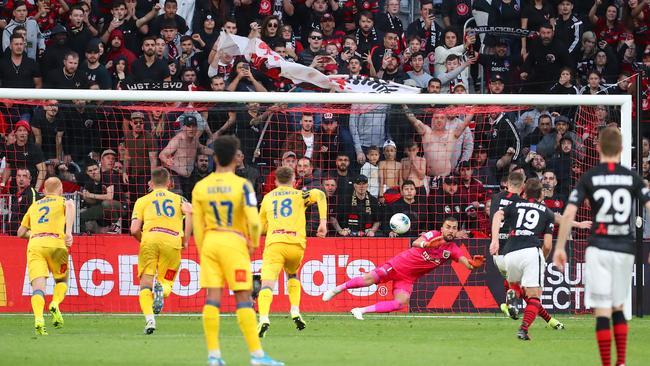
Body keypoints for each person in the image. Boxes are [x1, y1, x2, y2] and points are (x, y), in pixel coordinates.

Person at [554, 127, 650, 366]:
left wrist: (559, 247)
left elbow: (569, 213)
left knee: (602, 309)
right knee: (618, 306)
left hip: (598, 247)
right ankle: (621, 362)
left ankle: (607, 363)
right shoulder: (632, 178)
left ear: (597, 148)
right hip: (624, 248)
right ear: (621, 149)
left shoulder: (590, 177)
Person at [191, 135, 284, 366]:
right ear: (235, 158)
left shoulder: (200, 187)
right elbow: (253, 222)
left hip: (211, 241)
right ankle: (257, 355)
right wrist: (252, 243)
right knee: (243, 298)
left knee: (212, 298)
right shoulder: (243, 186)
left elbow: (198, 225)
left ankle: (214, 356)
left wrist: (204, 249)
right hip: (234, 243)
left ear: (214, 157)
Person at [323, 217, 485, 319]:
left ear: (457, 231)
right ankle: (336, 289)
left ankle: (360, 310)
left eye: (454, 228)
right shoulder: (434, 234)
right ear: (442, 228)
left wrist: (473, 264)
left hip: (408, 278)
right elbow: (415, 243)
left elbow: (466, 263)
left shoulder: (453, 250)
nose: (451, 230)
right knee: (369, 279)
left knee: (400, 303)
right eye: (448, 227)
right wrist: (426, 244)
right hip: (397, 265)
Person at [257, 166, 327, 338]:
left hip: (275, 244)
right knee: (293, 275)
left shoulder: (267, 198)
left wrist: (272, 226)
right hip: (296, 245)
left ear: (275, 181)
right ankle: (295, 311)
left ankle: (264, 318)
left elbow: (260, 227)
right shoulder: (299, 195)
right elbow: (320, 194)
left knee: (267, 284)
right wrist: (323, 222)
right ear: (294, 180)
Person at [490, 178, 558, 341]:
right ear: (541, 193)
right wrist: (543, 258)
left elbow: (498, 215)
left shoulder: (514, 205)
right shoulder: (546, 211)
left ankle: (513, 294)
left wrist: (494, 240)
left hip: (510, 252)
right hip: (531, 251)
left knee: (517, 286)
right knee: (534, 296)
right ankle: (524, 329)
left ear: (524, 192)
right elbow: (547, 245)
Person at [130, 167, 192, 334]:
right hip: (172, 242)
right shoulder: (180, 199)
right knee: (167, 282)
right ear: (169, 183)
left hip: (150, 239)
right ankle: (162, 290)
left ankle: (150, 321)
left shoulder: (142, 201)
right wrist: (185, 240)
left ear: (151, 182)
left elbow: (134, 229)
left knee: (145, 285)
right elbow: (191, 214)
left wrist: (145, 241)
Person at [17, 177, 75, 335]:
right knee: (62, 280)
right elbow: (70, 205)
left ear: (43, 191)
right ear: (61, 189)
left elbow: (20, 232)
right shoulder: (62, 201)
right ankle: (55, 303)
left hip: (35, 245)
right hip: (56, 243)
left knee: (38, 288)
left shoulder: (34, 206)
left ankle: (38, 319)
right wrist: (68, 232)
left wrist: (36, 234)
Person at [403, 108, 471, 176]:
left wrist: (475, 107)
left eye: (442, 118)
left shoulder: (451, 134)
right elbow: (413, 120)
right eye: (436, 118)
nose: (439, 120)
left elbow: (465, 123)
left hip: (445, 178)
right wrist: (403, 105)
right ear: (432, 120)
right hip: (428, 177)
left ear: (446, 120)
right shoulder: (426, 132)